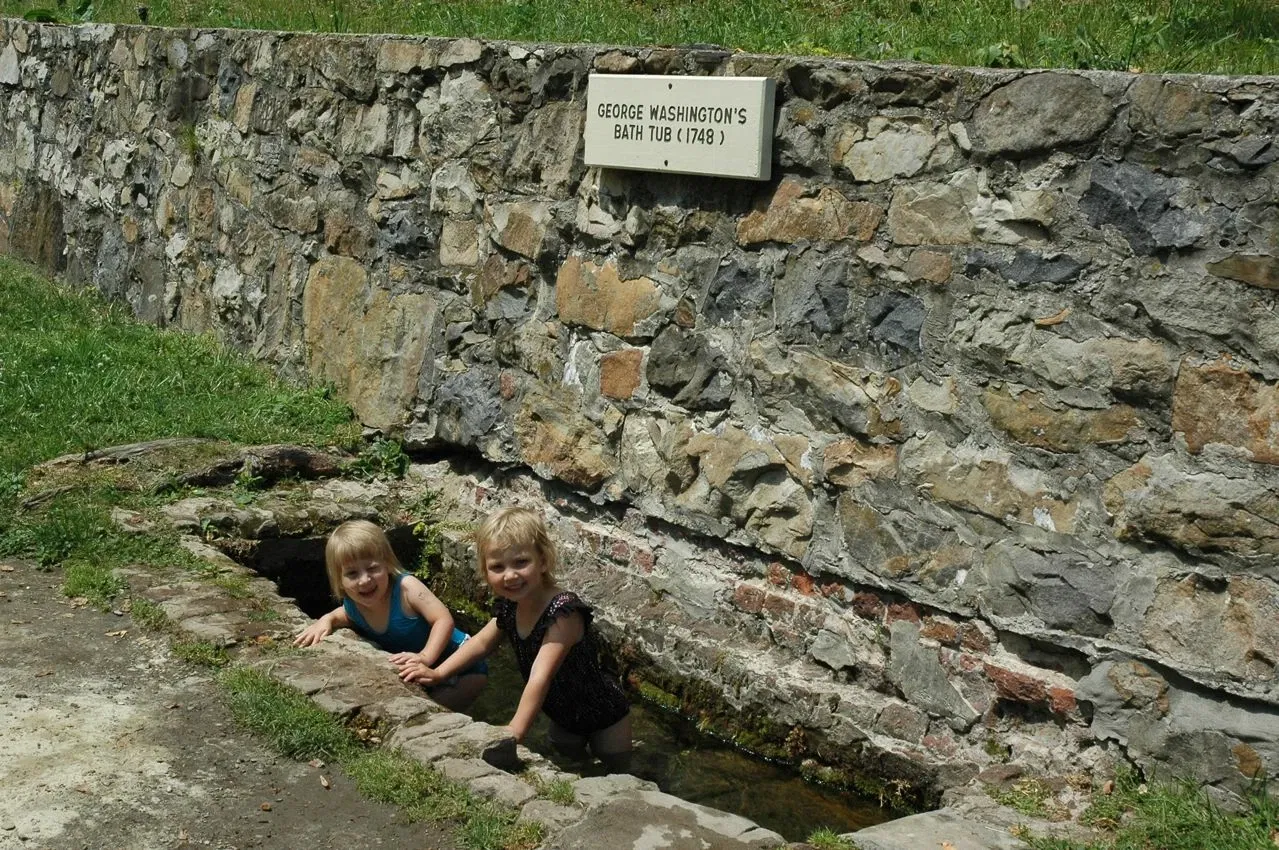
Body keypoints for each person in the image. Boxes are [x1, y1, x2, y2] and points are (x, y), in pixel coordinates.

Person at [397, 506, 632, 770]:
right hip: (563, 716)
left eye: (521, 562)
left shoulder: (563, 613)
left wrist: (515, 730)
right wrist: (437, 673)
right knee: (570, 762)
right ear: (486, 572)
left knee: (618, 768)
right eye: (498, 567)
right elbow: (480, 643)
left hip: (603, 713)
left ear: (543, 561)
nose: (510, 575)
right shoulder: (510, 605)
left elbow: (540, 676)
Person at [293, 519, 487, 712]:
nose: (364, 580)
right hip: (420, 672)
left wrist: (425, 657)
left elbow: (443, 620)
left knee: (430, 711)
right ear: (340, 580)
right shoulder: (354, 604)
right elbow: (345, 614)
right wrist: (327, 619)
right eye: (352, 574)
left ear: (386, 564)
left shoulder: (406, 589)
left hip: (463, 668)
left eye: (372, 568)